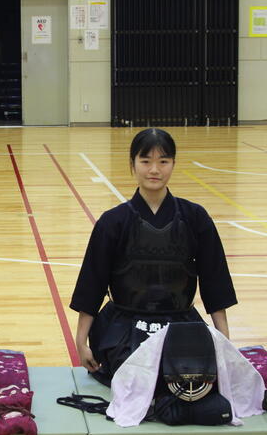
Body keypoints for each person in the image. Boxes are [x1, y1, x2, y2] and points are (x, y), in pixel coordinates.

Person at [70, 128, 236, 385]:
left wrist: (224, 342)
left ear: (173, 164)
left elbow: (215, 282)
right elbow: (92, 284)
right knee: (137, 377)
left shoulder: (195, 218)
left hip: (181, 325)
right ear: (133, 164)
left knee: (188, 377)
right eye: (146, 161)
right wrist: (81, 341)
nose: (154, 170)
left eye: (163, 161)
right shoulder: (112, 222)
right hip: (124, 326)